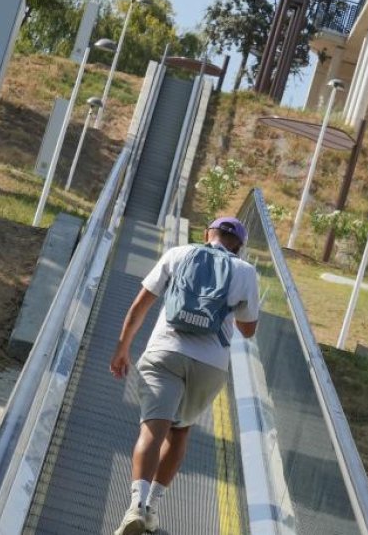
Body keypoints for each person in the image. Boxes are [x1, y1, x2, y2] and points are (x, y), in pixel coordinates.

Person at [110, 216, 260, 535]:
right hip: (210, 364)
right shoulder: (245, 272)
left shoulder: (178, 254)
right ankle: (151, 508)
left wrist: (123, 348)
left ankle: (135, 505)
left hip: (164, 352)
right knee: (179, 434)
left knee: (153, 430)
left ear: (207, 234)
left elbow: (141, 305)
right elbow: (248, 330)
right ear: (240, 247)